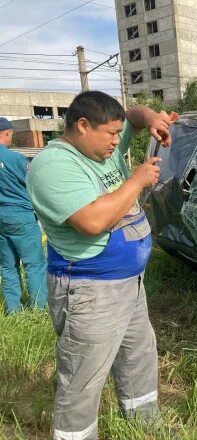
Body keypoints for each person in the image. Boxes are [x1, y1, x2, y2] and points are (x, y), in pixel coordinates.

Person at [26, 91, 175, 440]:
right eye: (110, 133)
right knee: (83, 376)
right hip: (90, 291)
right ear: (82, 125)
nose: (116, 141)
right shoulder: (54, 165)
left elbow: (134, 116)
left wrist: (151, 118)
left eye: (117, 133)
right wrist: (136, 181)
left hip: (129, 284)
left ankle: (144, 426)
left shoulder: (102, 142)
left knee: (138, 355)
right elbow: (94, 221)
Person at [0, 117, 47, 314]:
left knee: (7, 266)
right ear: (7, 133)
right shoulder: (17, 159)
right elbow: (35, 185)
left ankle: (13, 310)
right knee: (34, 264)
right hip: (20, 215)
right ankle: (39, 308)